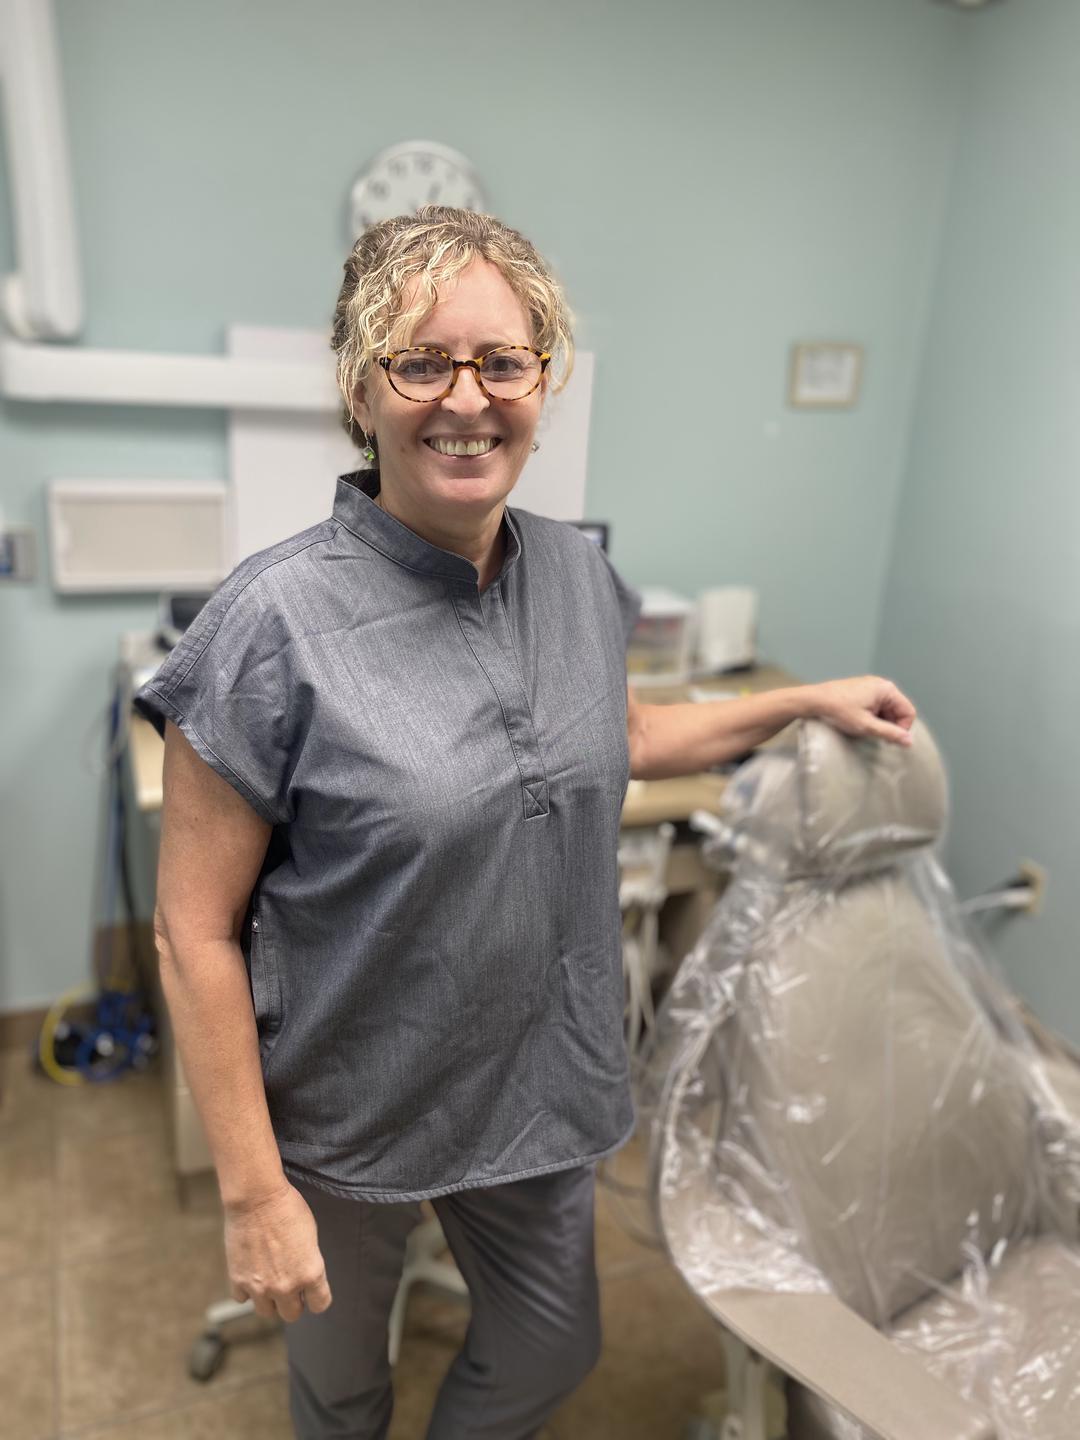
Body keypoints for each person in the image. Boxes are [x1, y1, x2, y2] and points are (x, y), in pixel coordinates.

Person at [134, 206, 917, 1440]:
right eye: (421, 361)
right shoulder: (269, 626)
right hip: (349, 1106)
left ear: (543, 382)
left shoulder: (574, 574)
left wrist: (797, 702)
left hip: (536, 1082)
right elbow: (192, 932)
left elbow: (624, 734)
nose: (468, 397)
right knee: (342, 1392)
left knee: (554, 1345)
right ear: (360, 387)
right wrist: (251, 1193)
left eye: (503, 360)